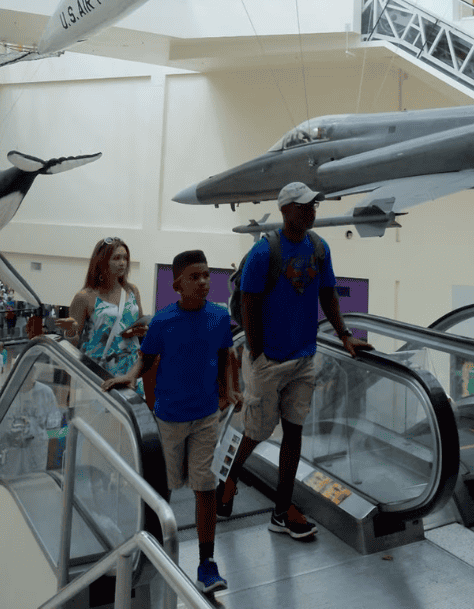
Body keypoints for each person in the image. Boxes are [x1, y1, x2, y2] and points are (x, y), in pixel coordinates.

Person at [216, 181, 372, 540]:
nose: (311, 211)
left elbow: (328, 292)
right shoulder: (263, 252)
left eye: (313, 205)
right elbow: (250, 305)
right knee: (256, 432)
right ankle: (229, 478)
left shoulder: (320, 248)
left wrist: (344, 334)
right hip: (269, 360)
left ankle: (281, 512)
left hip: (304, 357)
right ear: (286, 209)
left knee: (294, 431)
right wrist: (258, 354)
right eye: (304, 206)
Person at [104, 250, 240, 595]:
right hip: (169, 419)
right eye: (195, 277)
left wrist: (230, 389)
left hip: (206, 416)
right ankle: (152, 556)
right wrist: (129, 377)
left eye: (207, 275)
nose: (204, 282)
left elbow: (225, 354)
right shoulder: (163, 321)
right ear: (177, 284)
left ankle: (207, 563)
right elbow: (146, 359)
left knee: (204, 485)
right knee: (164, 487)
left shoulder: (220, 316)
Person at [57, 237, 148, 393]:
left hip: (130, 370)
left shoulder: (132, 291)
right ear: (102, 261)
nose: (122, 263)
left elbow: (141, 324)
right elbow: (71, 346)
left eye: (125, 258)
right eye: (116, 258)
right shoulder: (85, 297)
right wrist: (70, 331)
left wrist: (142, 329)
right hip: (99, 372)